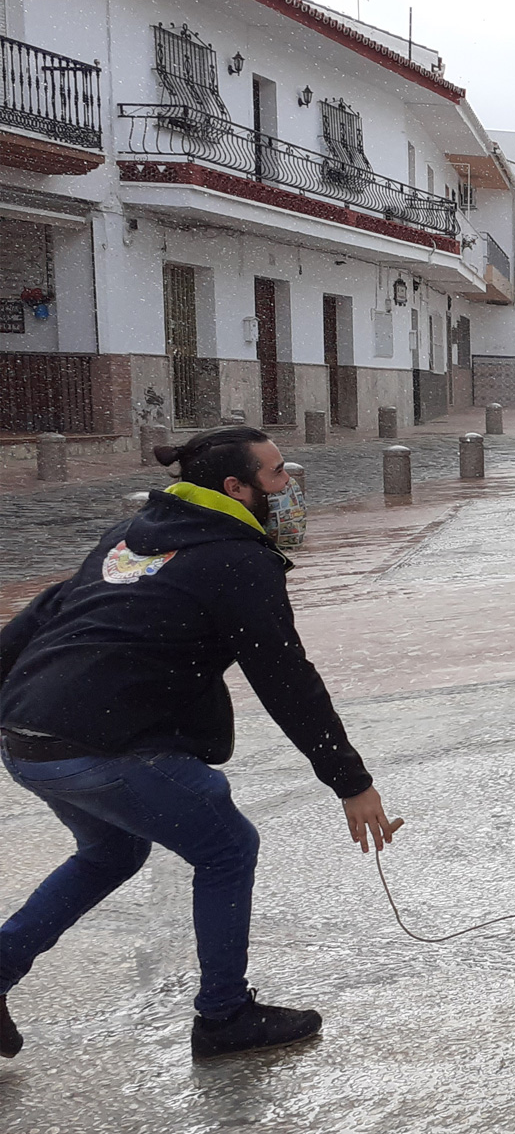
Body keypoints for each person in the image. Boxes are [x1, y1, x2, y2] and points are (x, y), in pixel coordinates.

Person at [0, 427, 400, 1060]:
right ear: (234, 488)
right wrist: (350, 780)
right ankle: (224, 1017)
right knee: (226, 847)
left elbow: (41, 615)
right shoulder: (239, 561)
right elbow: (285, 678)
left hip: (28, 737)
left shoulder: (132, 535)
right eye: (275, 476)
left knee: (111, 853)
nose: (288, 487)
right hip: (105, 745)